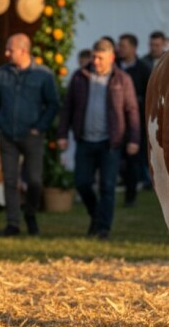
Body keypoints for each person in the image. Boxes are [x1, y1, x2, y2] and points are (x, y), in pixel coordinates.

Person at [57, 38, 140, 240]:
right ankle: (95, 213)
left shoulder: (122, 79)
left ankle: (104, 228)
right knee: (82, 182)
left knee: (107, 186)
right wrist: (62, 134)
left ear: (111, 57)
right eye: (94, 57)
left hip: (110, 142)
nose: (96, 61)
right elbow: (67, 107)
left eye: (100, 58)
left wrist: (134, 139)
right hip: (84, 140)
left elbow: (131, 110)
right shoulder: (79, 77)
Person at [0, 33, 60, 236]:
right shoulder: (2, 73)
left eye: (10, 49)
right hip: (7, 135)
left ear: (23, 51)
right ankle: (13, 223)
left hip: (32, 135)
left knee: (35, 180)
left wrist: (39, 127)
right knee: (10, 180)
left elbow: (53, 104)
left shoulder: (43, 75)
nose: (6, 53)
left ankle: (30, 213)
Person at [116, 33, 152, 206]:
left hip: (134, 121)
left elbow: (150, 95)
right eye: (119, 46)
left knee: (133, 161)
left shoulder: (144, 69)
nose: (119, 49)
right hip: (115, 120)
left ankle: (130, 197)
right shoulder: (114, 66)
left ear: (133, 48)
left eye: (123, 46)